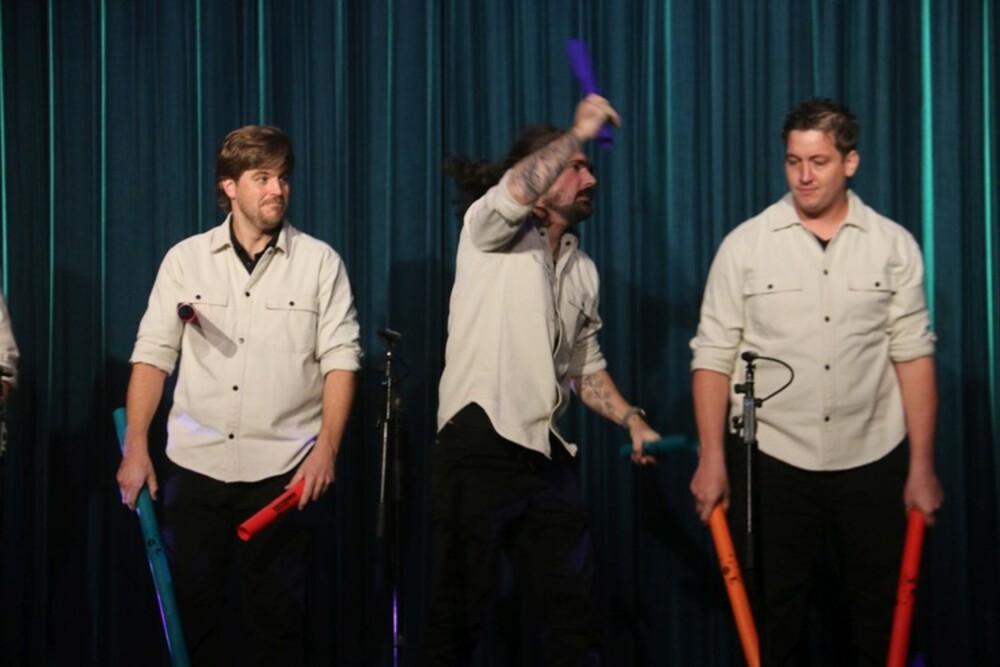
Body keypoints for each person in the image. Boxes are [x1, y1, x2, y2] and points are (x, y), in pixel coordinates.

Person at [688, 98, 944, 665]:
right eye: (793, 161)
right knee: (777, 618)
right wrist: (711, 459)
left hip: (872, 453)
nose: (804, 175)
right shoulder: (746, 244)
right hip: (775, 457)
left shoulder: (893, 245)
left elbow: (913, 356)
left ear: (850, 162)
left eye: (819, 161)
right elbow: (712, 355)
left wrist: (922, 466)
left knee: (879, 616)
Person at [424, 94, 661, 666]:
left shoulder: (583, 269)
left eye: (587, 166)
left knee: (574, 620)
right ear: (543, 174)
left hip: (545, 455)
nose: (590, 178)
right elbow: (514, 190)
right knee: (458, 616)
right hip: (479, 443)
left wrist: (630, 418)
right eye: (576, 167)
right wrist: (576, 133)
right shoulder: (489, 230)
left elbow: (583, 365)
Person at [116, 125, 361, 666]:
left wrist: (327, 448)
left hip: (283, 474)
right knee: (191, 621)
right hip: (196, 468)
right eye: (263, 178)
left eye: (283, 178)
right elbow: (153, 355)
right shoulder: (186, 259)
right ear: (229, 186)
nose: (278, 189)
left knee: (277, 627)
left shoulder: (319, 263)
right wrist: (135, 446)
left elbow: (341, 361)